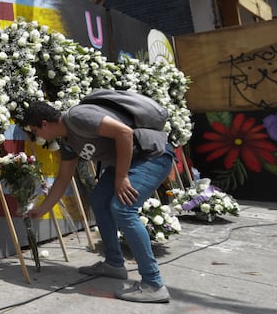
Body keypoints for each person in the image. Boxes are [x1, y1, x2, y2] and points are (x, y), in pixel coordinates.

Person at [20, 99, 175, 303]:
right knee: (99, 199)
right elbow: (63, 178)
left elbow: (124, 133)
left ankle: (154, 284)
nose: (36, 136)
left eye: (35, 131)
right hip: (129, 161)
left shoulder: (77, 117)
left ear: (45, 124)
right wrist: (42, 209)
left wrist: (121, 178)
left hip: (152, 155)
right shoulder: (68, 142)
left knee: (123, 209)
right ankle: (114, 264)